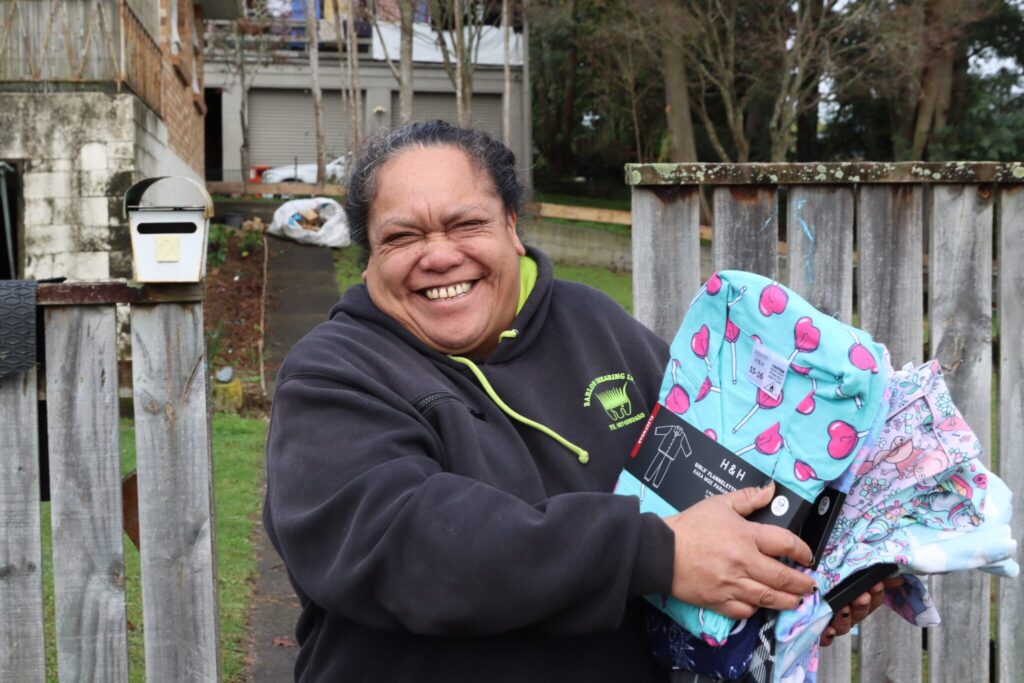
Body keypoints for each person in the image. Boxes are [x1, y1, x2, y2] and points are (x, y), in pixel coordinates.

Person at [263, 120, 887, 682]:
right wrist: (653, 553)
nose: (439, 254)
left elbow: (714, 479)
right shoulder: (332, 374)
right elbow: (406, 544)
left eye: (466, 223)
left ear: (511, 224)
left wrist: (794, 579)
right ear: (370, 254)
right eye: (402, 236)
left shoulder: (597, 327)